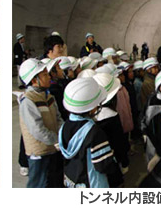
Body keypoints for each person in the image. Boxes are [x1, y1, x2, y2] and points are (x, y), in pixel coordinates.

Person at [59, 78, 121, 188]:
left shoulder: (64, 126)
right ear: (91, 108)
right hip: (93, 184)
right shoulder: (94, 133)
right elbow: (104, 166)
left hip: (73, 181)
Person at [18, 58, 64, 188]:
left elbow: (58, 118)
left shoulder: (49, 97)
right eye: (44, 75)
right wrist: (56, 140)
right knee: (39, 184)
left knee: (54, 183)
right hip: (39, 153)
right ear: (34, 80)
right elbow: (37, 130)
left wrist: (62, 135)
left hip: (53, 149)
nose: (48, 77)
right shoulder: (28, 102)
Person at [93, 73, 128, 181]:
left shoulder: (92, 116)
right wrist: (125, 161)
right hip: (113, 161)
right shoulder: (111, 116)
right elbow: (119, 142)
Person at [119, 62, 142, 144]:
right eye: (129, 72)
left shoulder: (130, 83)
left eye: (132, 71)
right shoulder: (124, 87)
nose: (132, 74)